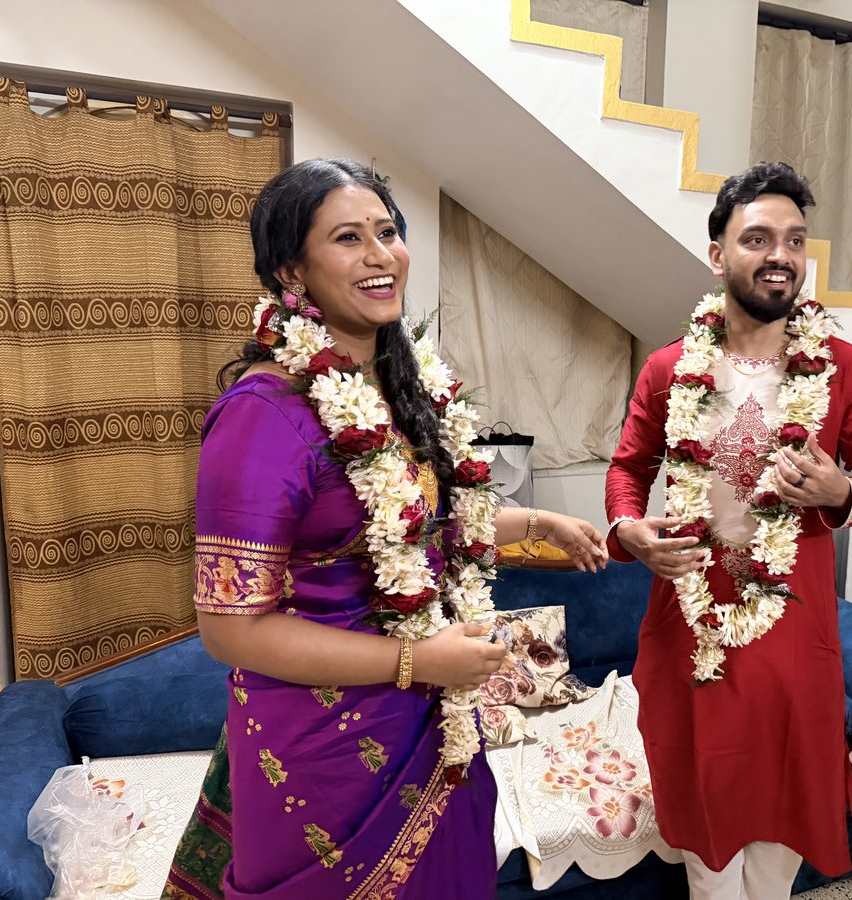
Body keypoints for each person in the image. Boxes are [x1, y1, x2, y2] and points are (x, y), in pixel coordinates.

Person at [163, 158, 608, 899]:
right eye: (347, 238)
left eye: (388, 231)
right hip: (323, 749)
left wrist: (536, 522)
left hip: (435, 718)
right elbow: (229, 630)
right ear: (292, 272)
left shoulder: (397, 389)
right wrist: (417, 664)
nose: (380, 255)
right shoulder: (262, 418)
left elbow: (413, 524)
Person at [605, 161, 852, 899]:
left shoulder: (845, 371)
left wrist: (843, 493)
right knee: (707, 815)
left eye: (795, 240)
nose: (781, 255)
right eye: (759, 237)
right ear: (717, 254)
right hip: (689, 626)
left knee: (781, 817)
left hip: (793, 631)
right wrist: (627, 529)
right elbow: (627, 468)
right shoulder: (669, 369)